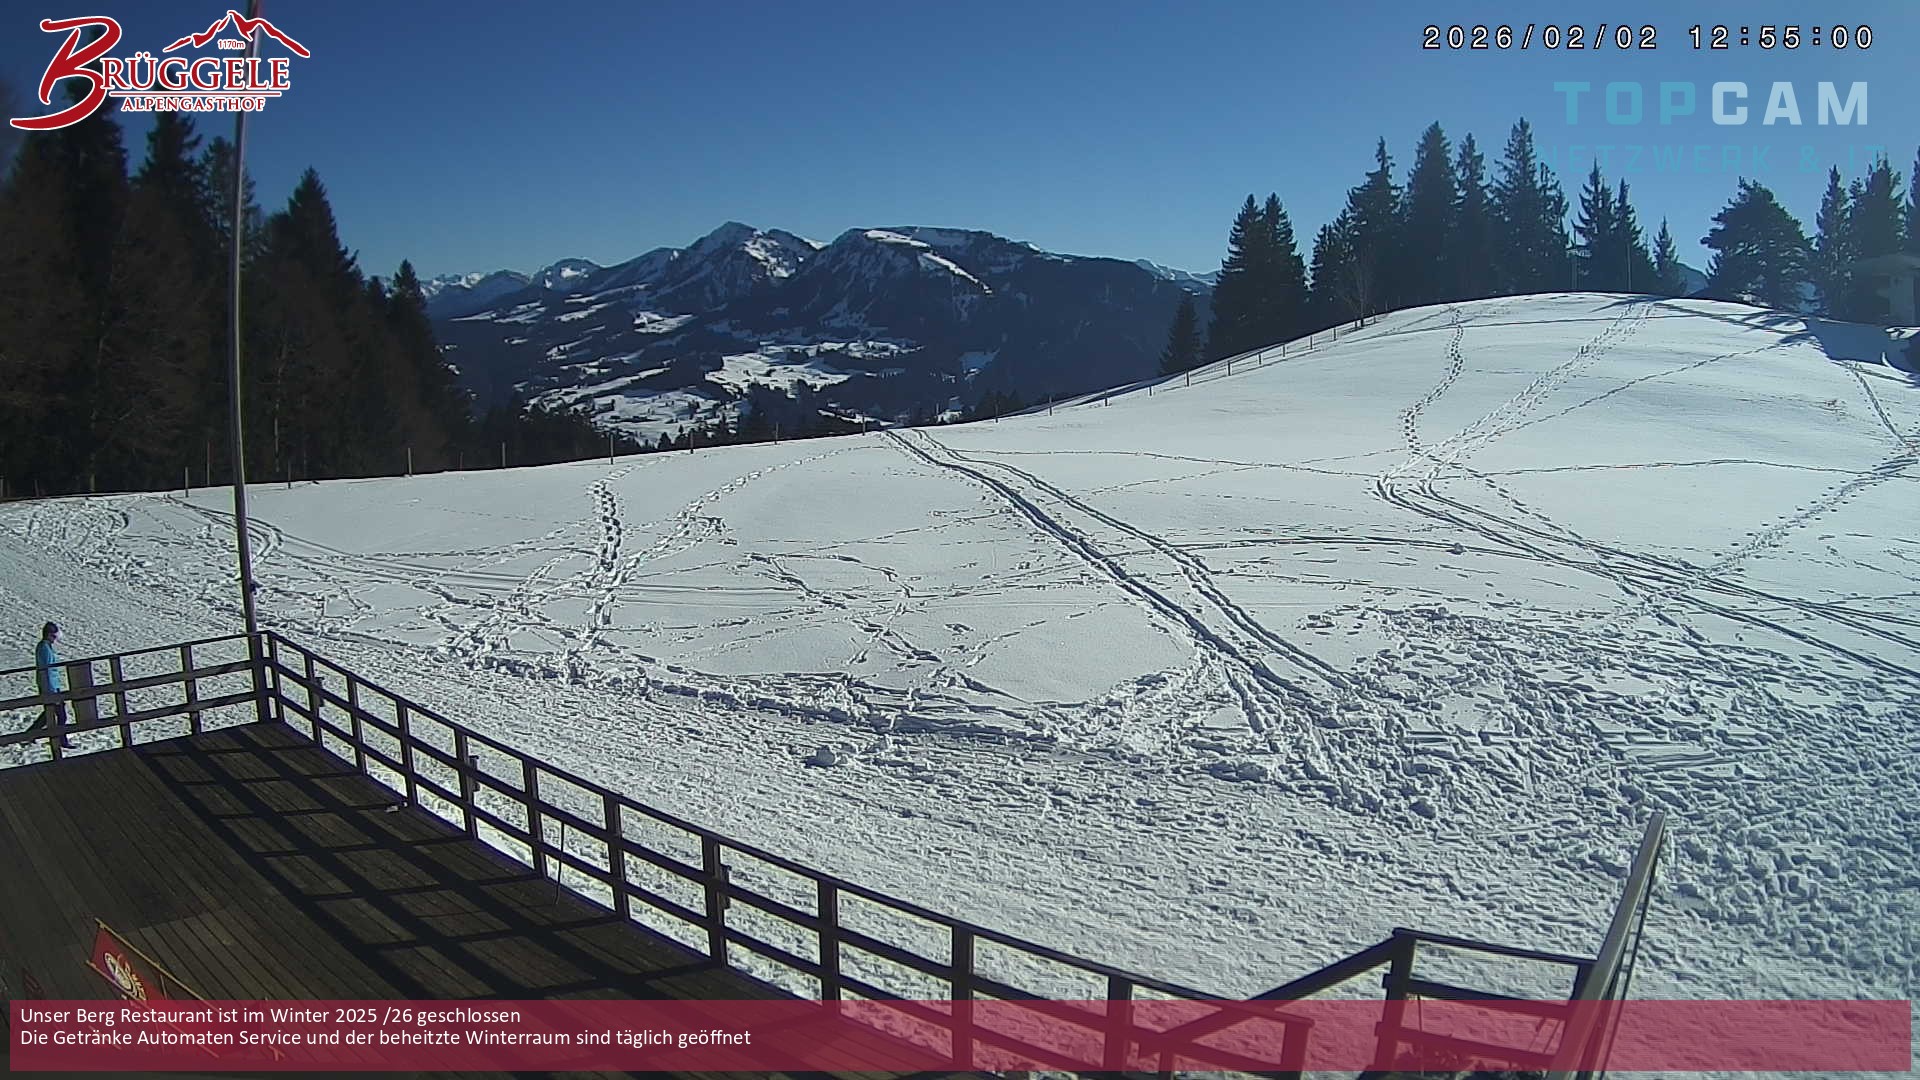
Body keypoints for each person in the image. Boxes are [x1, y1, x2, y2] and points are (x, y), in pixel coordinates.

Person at [28, 622, 73, 749]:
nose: (55, 640)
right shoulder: (44, 648)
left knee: (49, 713)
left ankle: (31, 734)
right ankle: (60, 740)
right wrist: (53, 690)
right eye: (53, 637)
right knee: (60, 714)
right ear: (48, 635)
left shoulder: (45, 646)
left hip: (51, 685)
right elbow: (47, 670)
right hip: (50, 687)